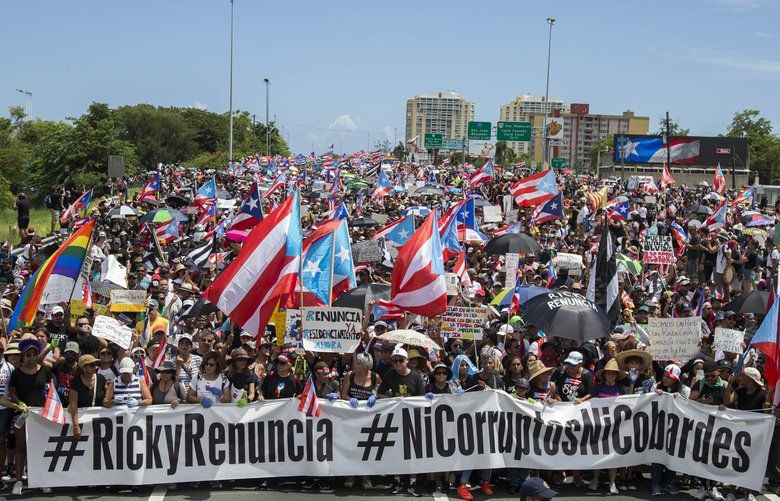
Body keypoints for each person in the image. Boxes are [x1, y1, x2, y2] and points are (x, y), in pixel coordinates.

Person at [378, 347, 425, 496]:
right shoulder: (389, 375)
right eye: (394, 360)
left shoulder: (416, 377)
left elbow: (422, 399)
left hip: (412, 419)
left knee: (412, 452)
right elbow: (379, 394)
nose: (397, 363)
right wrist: (391, 400)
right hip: (395, 419)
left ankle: (412, 482)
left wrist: (408, 402)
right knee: (395, 451)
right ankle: (397, 480)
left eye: (400, 360)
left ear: (407, 361)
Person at [7, 338, 52, 495]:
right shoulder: (16, 373)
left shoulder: (45, 370)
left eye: (34, 354)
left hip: (41, 415)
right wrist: (20, 404)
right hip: (23, 415)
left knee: (40, 448)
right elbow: (12, 392)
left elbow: (52, 390)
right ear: (23, 356)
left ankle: (41, 480)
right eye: (28, 355)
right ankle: (18, 481)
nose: (32, 357)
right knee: (21, 448)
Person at [341, 352, 380, 490]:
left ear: (364, 366)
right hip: (352, 416)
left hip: (368, 418)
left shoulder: (375, 377)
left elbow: (378, 392)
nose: (354, 365)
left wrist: (374, 397)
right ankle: (351, 475)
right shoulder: (350, 375)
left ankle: (366, 476)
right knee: (351, 446)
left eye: (357, 363)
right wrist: (349, 399)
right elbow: (343, 394)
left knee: (367, 447)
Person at [589, 359, 626, 494]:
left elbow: (630, 401)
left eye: (613, 373)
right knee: (599, 453)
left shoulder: (621, 388)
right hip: (600, 425)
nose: (610, 375)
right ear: (604, 375)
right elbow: (590, 401)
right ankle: (595, 479)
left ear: (617, 375)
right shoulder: (597, 387)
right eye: (608, 373)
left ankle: (612, 483)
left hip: (616, 427)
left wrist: (633, 383)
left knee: (613, 455)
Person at [67, 354, 106, 439]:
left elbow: (107, 398)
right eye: (92, 365)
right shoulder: (75, 382)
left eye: (96, 364)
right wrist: (76, 426)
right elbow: (73, 405)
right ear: (83, 367)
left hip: (99, 421)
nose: (95, 367)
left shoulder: (101, 379)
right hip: (82, 422)